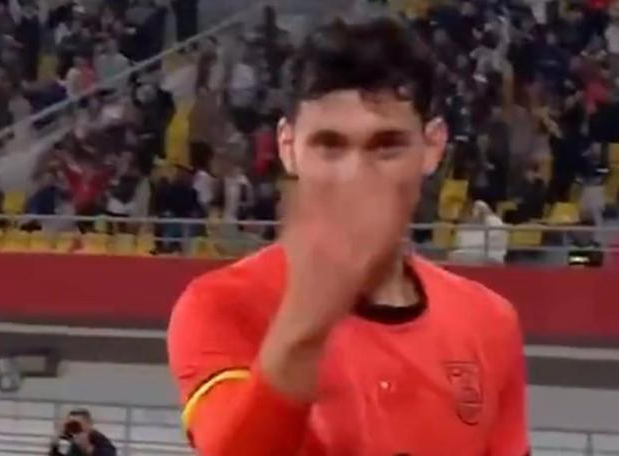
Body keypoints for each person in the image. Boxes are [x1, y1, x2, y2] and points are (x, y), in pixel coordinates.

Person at [168, 18, 528, 456]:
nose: (356, 174)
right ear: (287, 147)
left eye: (387, 145)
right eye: (329, 145)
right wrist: (304, 327)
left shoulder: (489, 321)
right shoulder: (223, 305)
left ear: (432, 147)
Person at [49, 409, 116, 456]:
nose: (74, 429)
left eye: (76, 424)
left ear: (89, 424)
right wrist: (55, 443)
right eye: (71, 425)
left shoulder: (102, 443)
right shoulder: (74, 442)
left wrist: (87, 447)